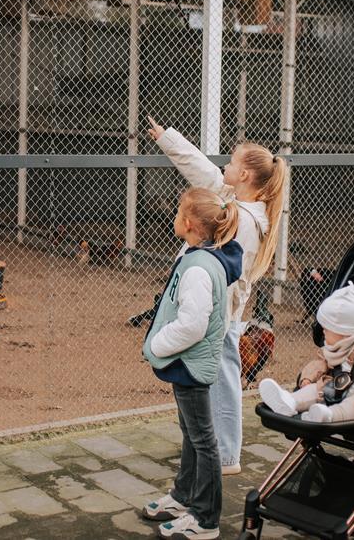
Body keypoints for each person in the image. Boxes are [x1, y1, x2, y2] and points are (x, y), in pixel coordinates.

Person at [132, 116, 286, 476]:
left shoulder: (243, 219)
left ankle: (225, 455)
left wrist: (207, 307)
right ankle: (209, 447)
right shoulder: (235, 203)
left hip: (221, 313)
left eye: (232, 162)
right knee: (212, 377)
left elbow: (227, 274)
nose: (225, 167)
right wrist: (168, 139)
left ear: (245, 175)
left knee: (223, 378)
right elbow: (203, 172)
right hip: (218, 312)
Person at [141, 187, 243, 540]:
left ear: (188, 223)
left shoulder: (199, 268)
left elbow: (193, 325)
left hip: (190, 365)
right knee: (192, 432)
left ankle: (205, 519)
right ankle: (183, 496)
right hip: (187, 364)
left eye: (178, 211)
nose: (174, 216)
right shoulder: (199, 256)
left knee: (203, 440)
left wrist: (157, 344)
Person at [258, 282, 354, 423]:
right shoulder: (333, 347)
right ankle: (290, 402)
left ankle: (327, 415)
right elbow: (319, 362)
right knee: (314, 389)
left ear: (345, 333)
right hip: (331, 387)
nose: (323, 333)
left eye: (327, 329)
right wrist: (308, 378)